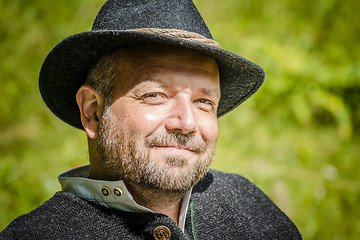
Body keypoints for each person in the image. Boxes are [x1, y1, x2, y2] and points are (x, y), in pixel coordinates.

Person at [1, 0, 302, 239]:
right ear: (92, 111)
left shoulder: (249, 203)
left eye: (204, 102)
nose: (186, 123)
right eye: (155, 95)